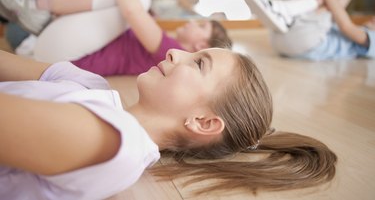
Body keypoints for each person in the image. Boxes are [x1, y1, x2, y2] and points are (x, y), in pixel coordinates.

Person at [0, 47, 337, 199]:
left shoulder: (120, 145)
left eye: (199, 64)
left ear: (203, 122)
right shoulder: (93, 86)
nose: (176, 52)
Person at [0, 0, 232, 76]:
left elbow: (132, 10)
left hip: (59, 55)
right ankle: (42, 5)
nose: (193, 22)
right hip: (53, 47)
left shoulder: (173, 52)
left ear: (201, 46)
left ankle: (42, 4)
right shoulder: (163, 46)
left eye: (201, 26)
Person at [242, 0, 375, 60]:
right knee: (328, 1)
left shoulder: (372, 39)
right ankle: (283, 9)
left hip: (306, 41)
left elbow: (345, 26)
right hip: (285, 41)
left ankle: (283, 8)